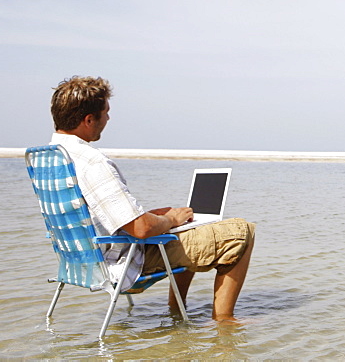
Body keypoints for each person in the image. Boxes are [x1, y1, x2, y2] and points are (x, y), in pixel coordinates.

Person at [48, 76, 255, 321]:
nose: (109, 119)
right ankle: (225, 321)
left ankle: (177, 310)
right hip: (121, 263)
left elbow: (104, 216)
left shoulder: (53, 158)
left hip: (80, 261)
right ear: (89, 119)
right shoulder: (91, 162)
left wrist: (162, 217)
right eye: (106, 112)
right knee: (243, 231)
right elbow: (141, 229)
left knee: (186, 227)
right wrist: (168, 219)